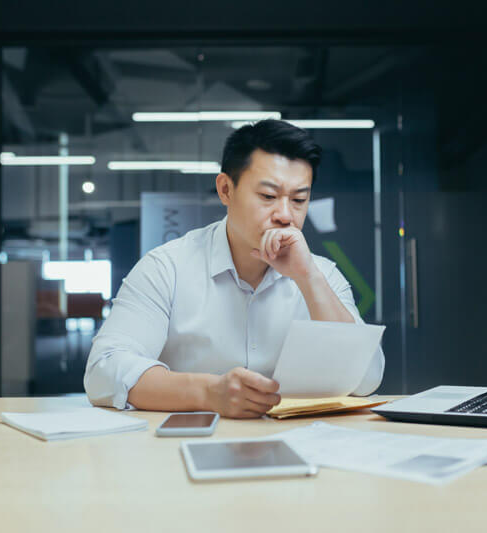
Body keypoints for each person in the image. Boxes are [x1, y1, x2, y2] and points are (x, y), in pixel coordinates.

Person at [83, 119, 384, 418]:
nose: (284, 215)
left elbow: (367, 379)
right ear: (225, 189)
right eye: (268, 197)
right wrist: (208, 393)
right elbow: (103, 371)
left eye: (298, 200)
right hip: (183, 446)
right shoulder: (166, 268)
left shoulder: (322, 273)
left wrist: (308, 279)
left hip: (297, 443)